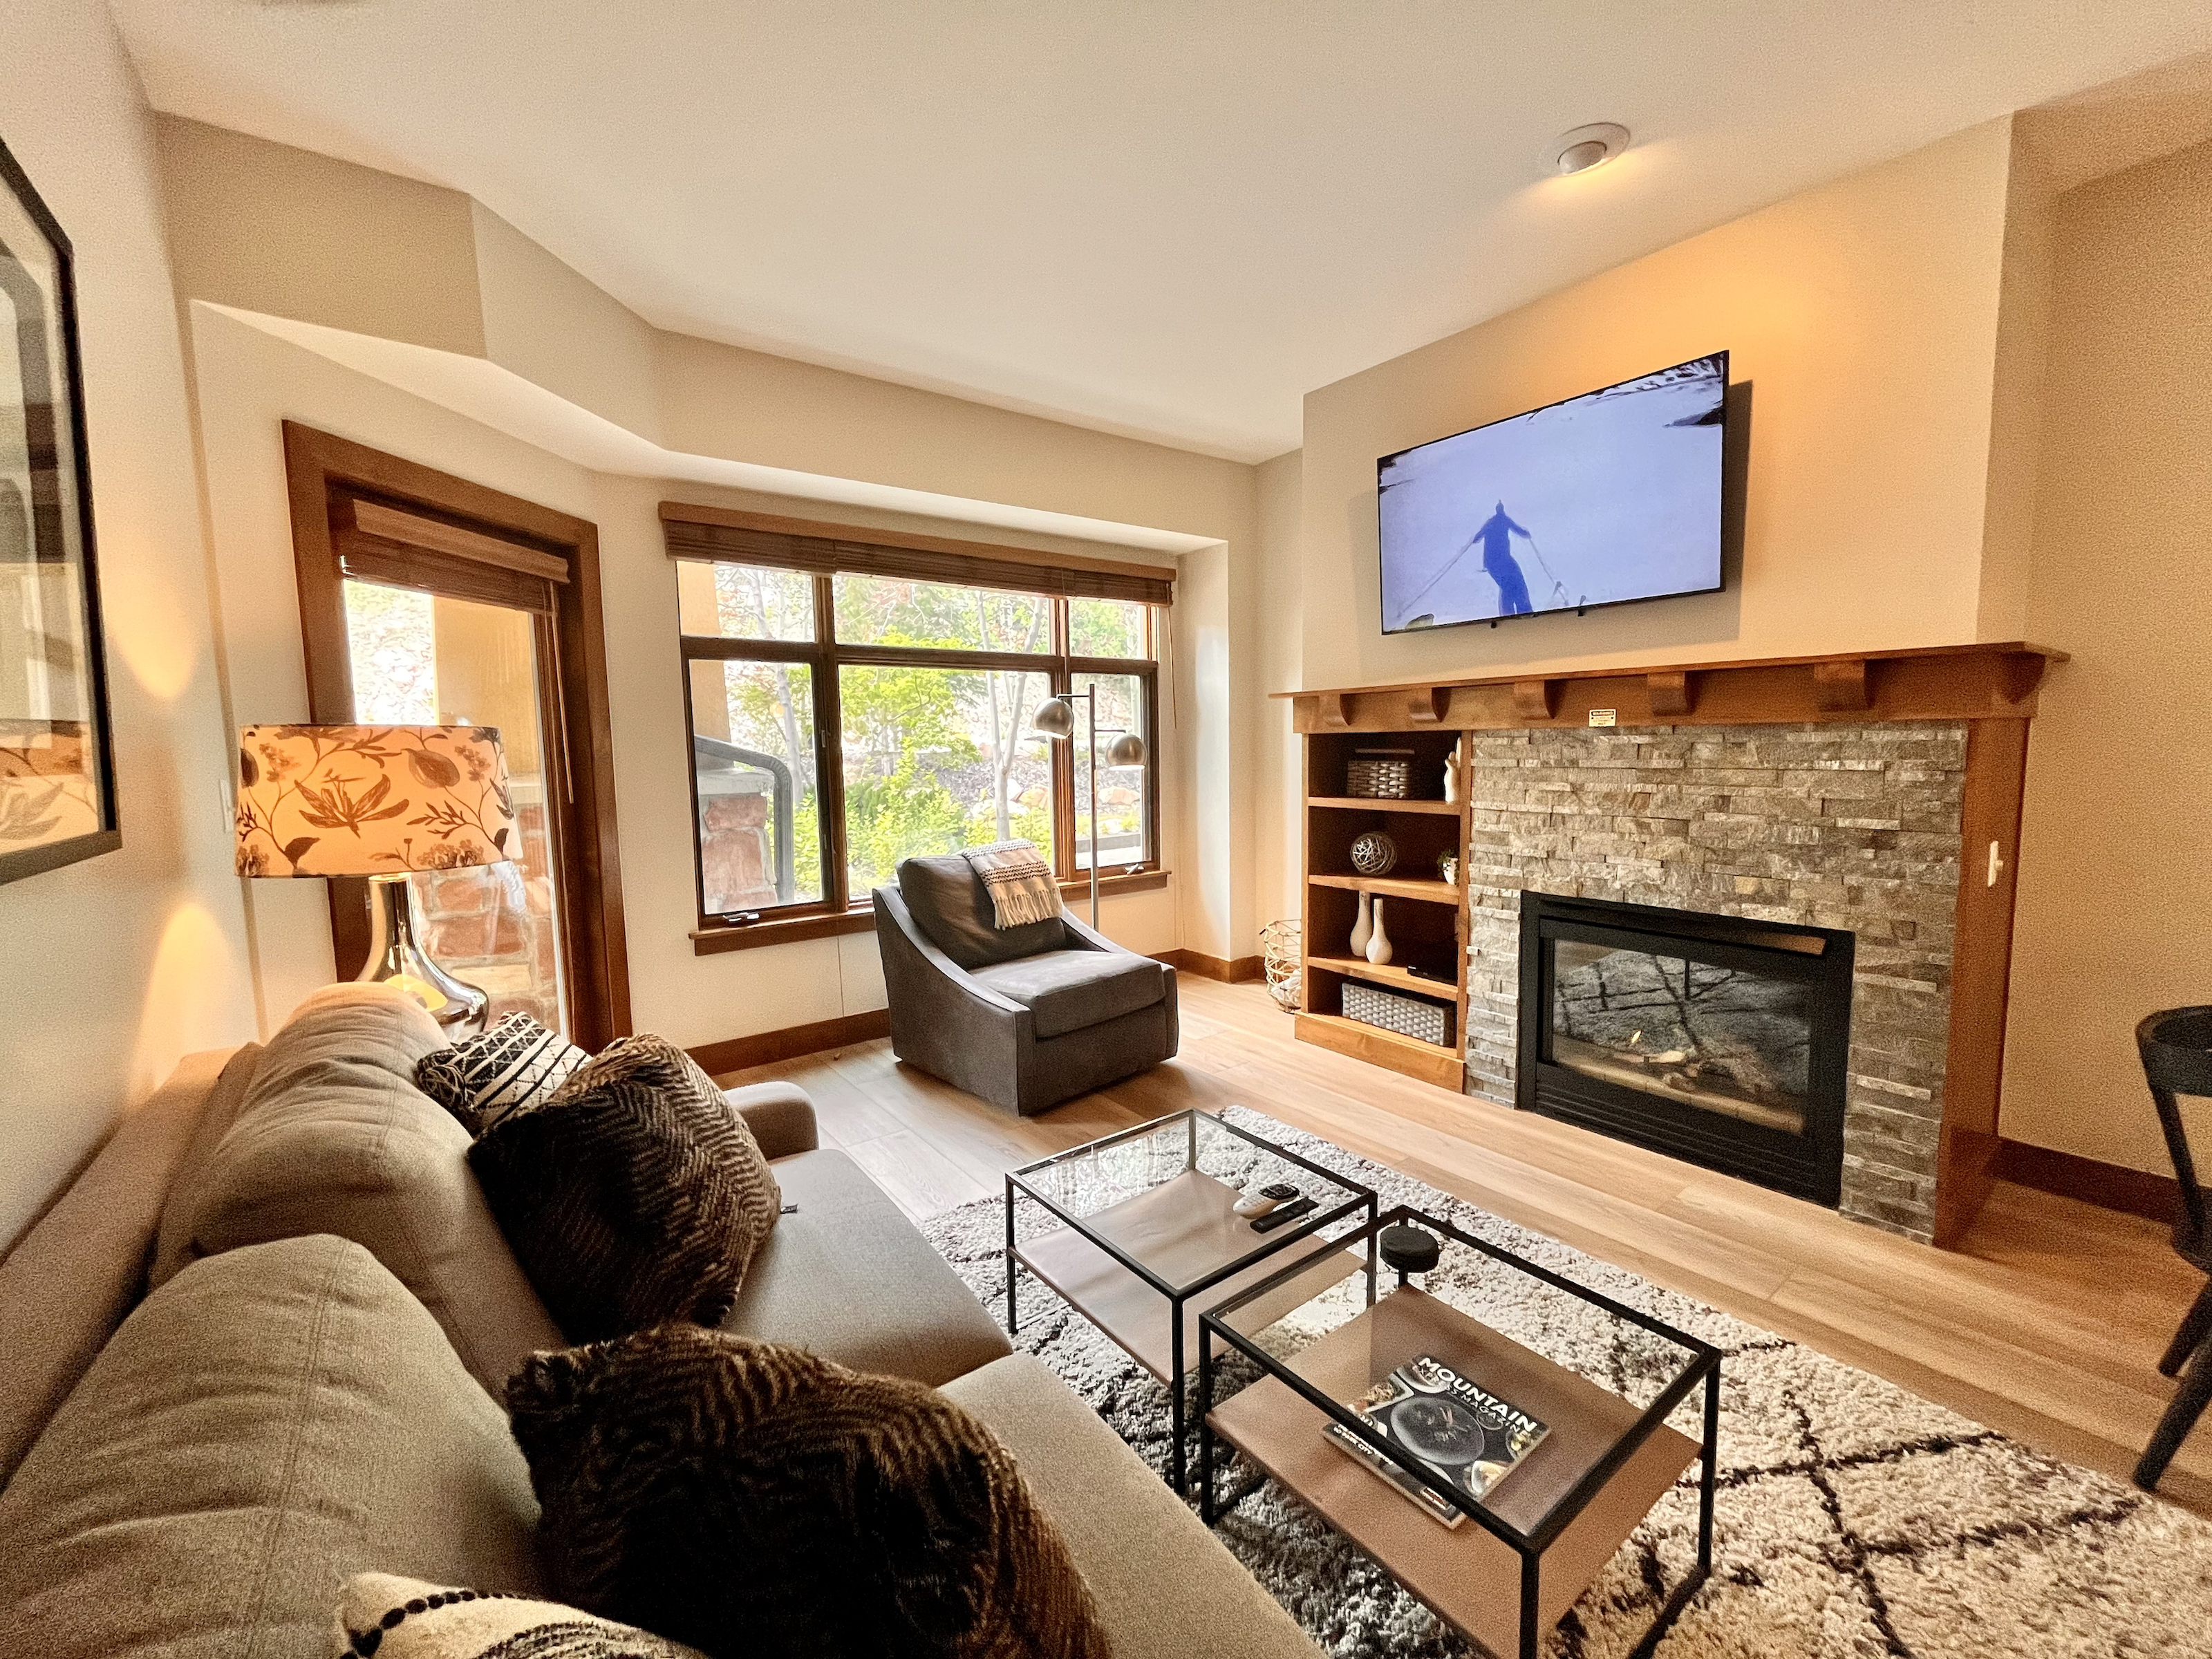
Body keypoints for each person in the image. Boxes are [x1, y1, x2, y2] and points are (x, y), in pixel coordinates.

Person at [1471, 500, 1534, 616]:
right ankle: (1524, 613)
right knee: (1517, 583)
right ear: (1502, 510)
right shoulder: (1503, 519)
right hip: (1502, 560)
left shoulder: (1490, 522)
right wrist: (1526, 533)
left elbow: (1477, 538)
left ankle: (1510, 614)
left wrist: (1477, 538)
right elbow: (1519, 530)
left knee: (1508, 586)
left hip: (1491, 563)